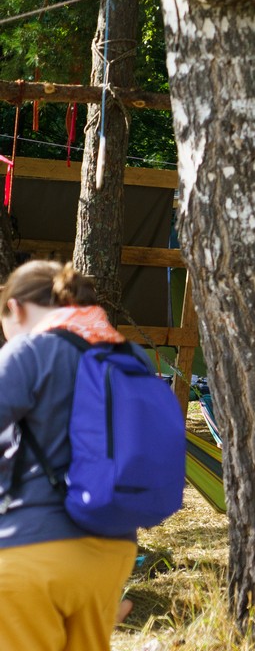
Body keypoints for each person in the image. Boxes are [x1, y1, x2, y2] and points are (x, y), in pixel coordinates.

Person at [0, 261, 139, 651]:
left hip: (33, 549)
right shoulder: (125, 357)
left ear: (15, 308)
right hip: (113, 554)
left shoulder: (28, 352)